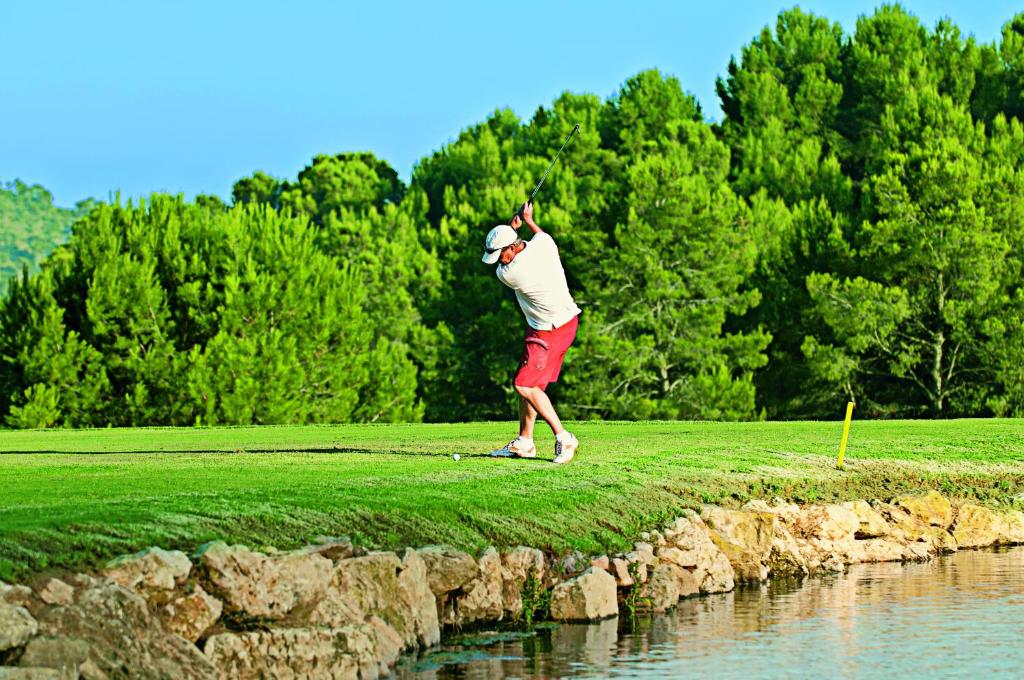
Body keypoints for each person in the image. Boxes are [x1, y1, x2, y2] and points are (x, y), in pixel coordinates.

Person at [482, 201, 581, 464]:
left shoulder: (512, 273)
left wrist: (511, 226)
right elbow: (541, 237)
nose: (498, 261)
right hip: (568, 321)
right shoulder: (544, 244)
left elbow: (502, 269)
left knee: (523, 384)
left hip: (547, 331)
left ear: (512, 248)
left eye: (500, 254)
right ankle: (525, 441)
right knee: (533, 385)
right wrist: (528, 220)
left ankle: (564, 437)